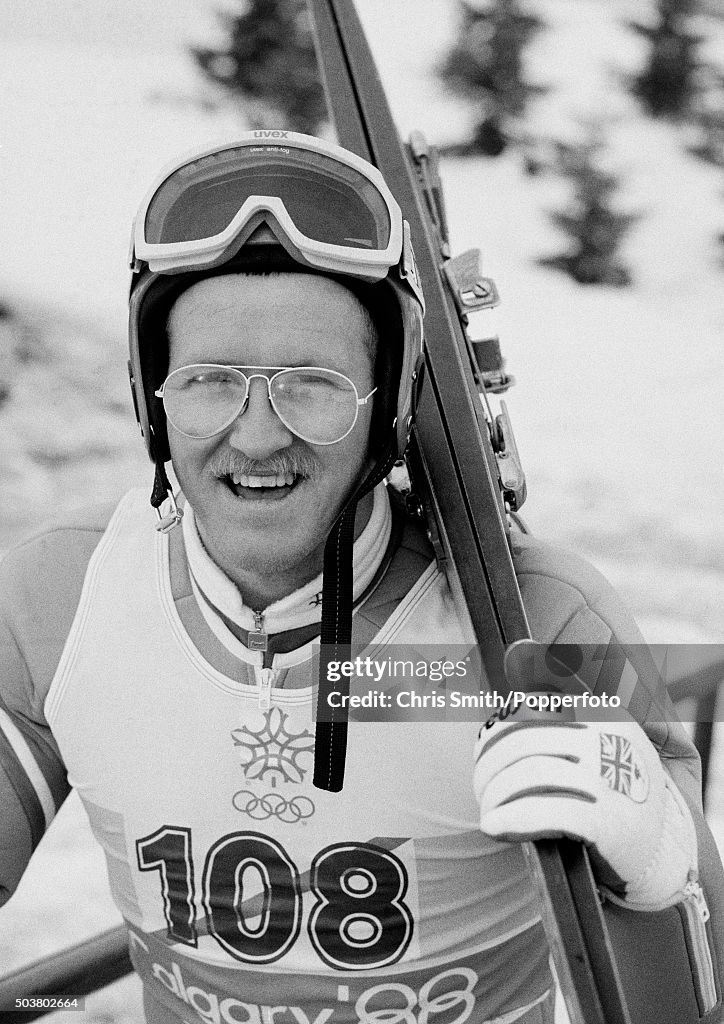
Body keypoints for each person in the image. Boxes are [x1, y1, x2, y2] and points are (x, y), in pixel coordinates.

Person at [0, 130, 721, 1024]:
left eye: (313, 386)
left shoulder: (546, 613)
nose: (257, 435)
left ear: (389, 410)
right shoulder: (57, 594)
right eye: (210, 381)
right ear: (153, 398)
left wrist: (653, 861)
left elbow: (695, 992)